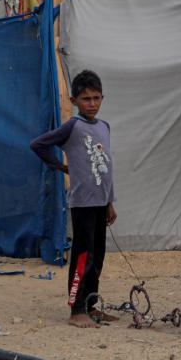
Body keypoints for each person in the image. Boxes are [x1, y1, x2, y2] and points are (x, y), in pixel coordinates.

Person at [30, 70, 117, 328]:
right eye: (86, 98)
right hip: (82, 203)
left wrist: (110, 202)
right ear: (74, 100)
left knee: (98, 255)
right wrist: (59, 166)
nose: (92, 103)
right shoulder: (73, 126)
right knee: (83, 255)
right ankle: (76, 308)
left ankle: (91, 304)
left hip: (101, 202)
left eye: (96, 98)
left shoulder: (104, 127)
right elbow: (38, 144)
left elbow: (105, 168)